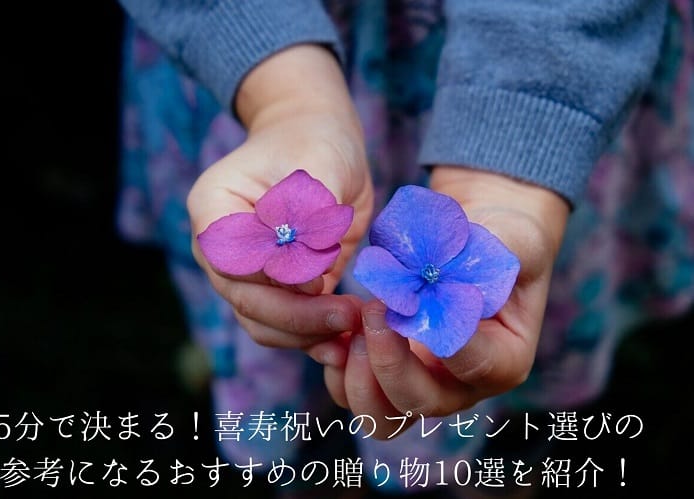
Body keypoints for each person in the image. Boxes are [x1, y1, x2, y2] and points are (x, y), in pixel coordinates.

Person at [116, 0, 693, 494]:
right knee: (316, 358)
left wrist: (511, 166)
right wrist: (285, 97)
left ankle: (494, 464)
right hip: (261, 63)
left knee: (503, 369)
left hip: (549, 67)